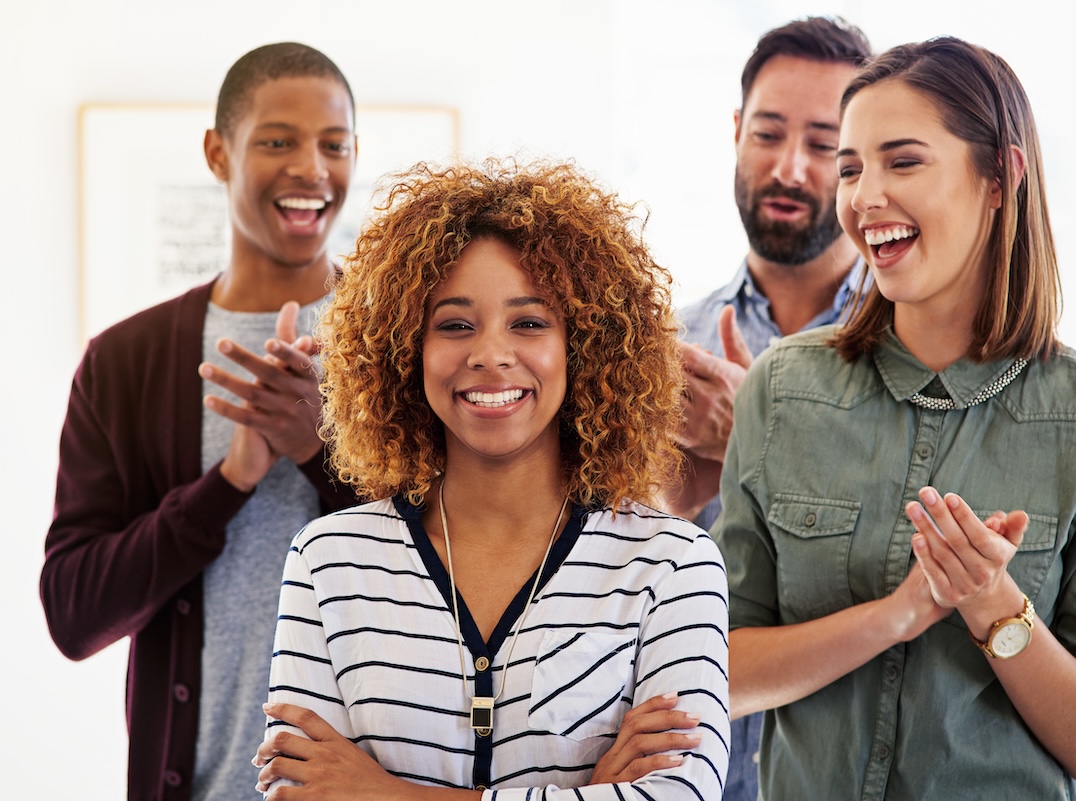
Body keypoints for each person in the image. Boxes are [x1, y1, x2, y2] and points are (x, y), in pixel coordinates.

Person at [713, 36, 1076, 800]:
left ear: (999, 177)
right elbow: (721, 671)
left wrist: (994, 605)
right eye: (851, 167)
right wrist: (895, 615)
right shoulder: (780, 389)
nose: (862, 196)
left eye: (902, 161)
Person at [251, 160, 730, 801]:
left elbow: (681, 796)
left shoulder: (673, 564)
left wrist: (384, 794)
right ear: (405, 350)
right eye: (454, 324)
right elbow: (297, 792)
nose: (490, 354)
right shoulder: (329, 561)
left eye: (529, 323)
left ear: (584, 345)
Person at [40, 42, 361, 801]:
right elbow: (73, 613)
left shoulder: (409, 341)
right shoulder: (124, 360)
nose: (311, 169)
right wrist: (229, 482)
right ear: (218, 153)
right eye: (277, 140)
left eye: (334, 145)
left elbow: (462, 570)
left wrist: (319, 454)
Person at [665, 16, 871, 801]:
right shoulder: (666, 349)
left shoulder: (919, 354)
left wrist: (762, 435)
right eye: (768, 133)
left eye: (823, 144)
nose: (788, 167)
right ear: (736, 133)